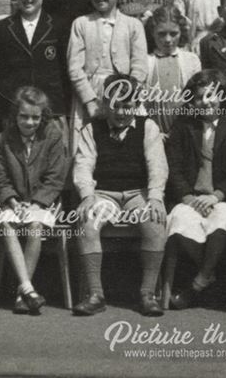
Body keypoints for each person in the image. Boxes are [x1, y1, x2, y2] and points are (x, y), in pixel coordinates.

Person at [72, 74, 169, 317]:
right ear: (105, 104)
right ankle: (95, 294)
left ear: (136, 105)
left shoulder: (148, 127)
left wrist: (155, 198)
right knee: (87, 221)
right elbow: (83, 166)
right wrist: (87, 196)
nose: (121, 111)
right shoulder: (91, 129)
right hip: (104, 194)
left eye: (127, 105)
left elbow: (158, 166)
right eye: (115, 104)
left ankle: (148, 294)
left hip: (138, 194)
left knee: (155, 221)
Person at [164, 70, 226, 309]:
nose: (206, 102)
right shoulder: (183, 126)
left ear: (221, 96)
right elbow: (174, 167)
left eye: (211, 95)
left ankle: (198, 283)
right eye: (199, 98)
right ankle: (212, 272)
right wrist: (188, 197)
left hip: (219, 197)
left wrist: (217, 195)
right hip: (190, 197)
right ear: (192, 102)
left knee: (223, 219)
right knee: (179, 220)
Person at [0, 86, 68, 314]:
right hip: (13, 202)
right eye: (24, 116)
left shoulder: (52, 136)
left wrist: (35, 203)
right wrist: (14, 202)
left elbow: (55, 178)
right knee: (6, 224)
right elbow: (0, 178)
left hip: (45, 201)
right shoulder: (3, 139)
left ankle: (21, 294)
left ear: (43, 117)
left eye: (35, 117)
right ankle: (27, 289)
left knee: (35, 225)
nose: (29, 122)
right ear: (15, 115)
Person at [67, 0, 148, 149]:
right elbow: (74, 68)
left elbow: (140, 67)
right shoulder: (81, 23)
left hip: (124, 93)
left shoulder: (133, 25)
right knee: (88, 145)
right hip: (91, 93)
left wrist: (128, 98)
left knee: (126, 145)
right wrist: (89, 101)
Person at [0, 0, 69, 129]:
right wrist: (0, 117)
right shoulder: (3, 28)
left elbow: (64, 73)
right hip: (16, 115)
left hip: (51, 113)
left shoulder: (58, 26)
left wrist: (63, 112)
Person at [144, 6, 201, 134]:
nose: (168, 40)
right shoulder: (146, 62)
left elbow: (196, 99)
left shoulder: (191, 60)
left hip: (185, 132)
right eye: (162, 34)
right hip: (154, 133)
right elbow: (141, 105)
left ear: (181, 32)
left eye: (173, 34)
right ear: (152, 32)